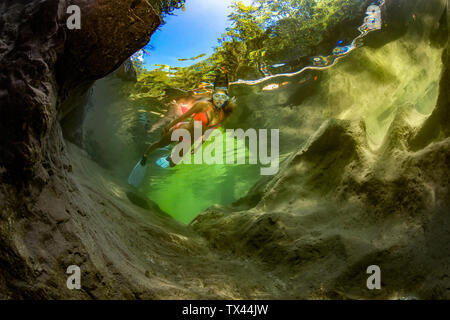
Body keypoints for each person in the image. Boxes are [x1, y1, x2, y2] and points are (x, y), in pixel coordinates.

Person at [140, 75, 236, 168]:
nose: (219, 100)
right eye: (217, 96)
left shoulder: (224, 115)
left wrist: (198, 146)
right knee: (160, 144)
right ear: (212, 96)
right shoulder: (203, 105)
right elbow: (183, 117)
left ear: (226, 99)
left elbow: (209, 131)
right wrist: (168, 127)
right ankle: (145, 154)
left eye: (222, 97)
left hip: (190, 140)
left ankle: (170, 156)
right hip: (180, 130)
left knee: (173, 164)